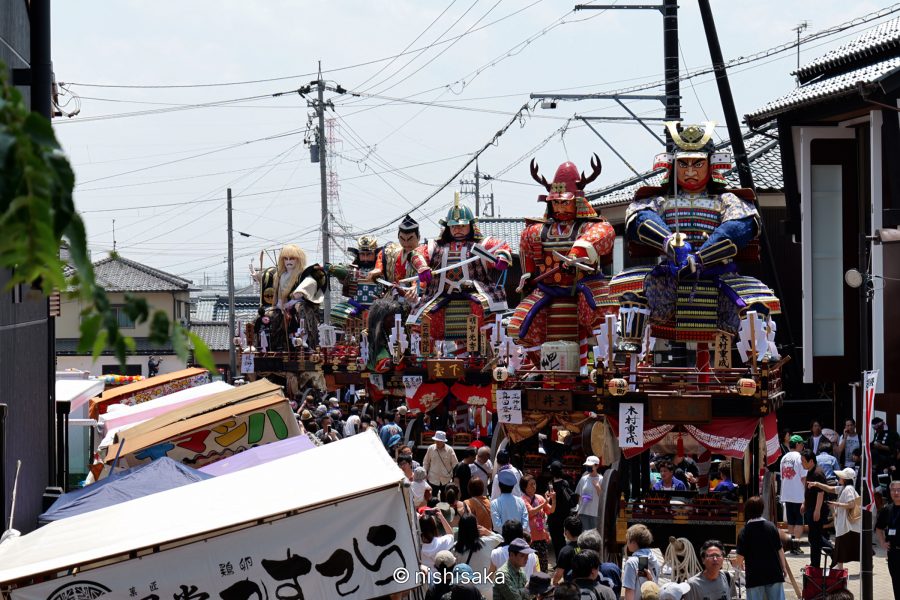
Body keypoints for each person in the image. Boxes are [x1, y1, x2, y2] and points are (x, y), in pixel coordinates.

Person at [611, 121, 780, 357]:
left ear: (711, 164)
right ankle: (629, 355)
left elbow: (742, 225)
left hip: (718, 276)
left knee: (754, 308)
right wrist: (671, 242)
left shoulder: (727, 199)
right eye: (683, 164)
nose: (690, 172)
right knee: (632, 296)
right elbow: (637, 217)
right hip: (670, 276)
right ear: (672, 165)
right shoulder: (659, 200)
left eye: (698, 163)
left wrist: (701, 258)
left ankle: (759, 359)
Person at [511, 155, 616, 372]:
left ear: (577, 201)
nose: (559, 207)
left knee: (603, 317)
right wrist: (529, 275)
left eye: (564, 202)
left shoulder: (590, 226)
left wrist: (577, 253)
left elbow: (604, 234)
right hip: (548, 290)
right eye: (556, 202)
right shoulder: (535, 230)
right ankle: (541, 367)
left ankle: (604, 365)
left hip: (583, 288)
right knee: (518, 324)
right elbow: (528, 256)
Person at [408, 193, 511, 348]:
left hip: (475, 293)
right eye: (454, 226)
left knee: (483, 313)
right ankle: (424, 358)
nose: (458, 229)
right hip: (440, 294)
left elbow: (500, 248)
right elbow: (417, 253)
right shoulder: (435, 246)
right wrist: (422, 267)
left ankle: (484, 353)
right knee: (424, 320)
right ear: (448, 227)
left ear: (470, 225)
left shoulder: (481, 244)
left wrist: (501, 258)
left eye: (462, 225)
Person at [733, 496, 787, 600]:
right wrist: (783, 568)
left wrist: (737, 568)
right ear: (762, 509)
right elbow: (780, 549)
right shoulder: (771, 527)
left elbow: (739, 558)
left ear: (747, 511)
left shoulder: (744, 532)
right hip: (774, 573)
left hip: (754, 576)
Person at [326, 235, 385, 328]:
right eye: (362, 254)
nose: (365, 258)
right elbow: (340, 271)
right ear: (358, 254)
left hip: (377, 309)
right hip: (354, 307)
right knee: (337, 314)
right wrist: (331, 268)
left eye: (369, 254)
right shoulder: (352, 270)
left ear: (376, 254)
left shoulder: (383, 271)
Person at [810, 467, 861, 569]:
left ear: (845, 479)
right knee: (843, 547)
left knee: (851, 547)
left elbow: (851, 504)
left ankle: (842, 567)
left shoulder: (848, 489)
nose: (839, 478)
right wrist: (817, 484)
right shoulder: (843, 488)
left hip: (848, 525)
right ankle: (840, 567)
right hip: (845, 525)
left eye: (841, 476)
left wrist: (835, 504)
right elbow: (830, 489)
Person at [454, 514, 503, 599]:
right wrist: (487, 532)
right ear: (475, 527)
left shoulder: (456, 548)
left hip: (466, 590)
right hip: (486, 588)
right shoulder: (487, 542)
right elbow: (500, 538)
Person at [801, 449, 831, 569]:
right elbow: (809, 491)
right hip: (811, 508)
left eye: (804, 461)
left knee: (815, 538)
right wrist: (804, 503)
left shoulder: (818, 473)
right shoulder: (810, 471)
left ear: (811, 461)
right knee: (814, 537)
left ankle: (817, 563)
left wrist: (817, 510)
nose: (802, 463)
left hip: (817, 509)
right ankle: (830, 554)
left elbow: (820, 493)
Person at [520, 474, 555, 572]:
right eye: (531, 485)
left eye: (534, 484)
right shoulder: (523, 499)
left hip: (541, 536)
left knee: (543, 564)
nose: (534, 486)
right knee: (530, 565)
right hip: (530, 538)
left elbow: (551, 510)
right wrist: (543, 504)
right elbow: (530, 512)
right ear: (524, 487)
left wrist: (553, 499)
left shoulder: (539, 497)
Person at [779, 435, 807, 550]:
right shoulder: (800, 457)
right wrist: (806, 493)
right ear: (797, 444)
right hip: (798, 494)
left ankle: (790, 544)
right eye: (802, 443)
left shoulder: (784, 458)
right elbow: (803, 477)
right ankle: (796, 545)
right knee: (799, 522)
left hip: (786, 494)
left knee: (790, 522)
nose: (803, 446)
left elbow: (782, 476)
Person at [876, 480, 900, 600]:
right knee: (896, 584)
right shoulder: (887, 510)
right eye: (893, 490)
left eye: (899, 490)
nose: (896, 492)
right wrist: (882, 542)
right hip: (894, 554)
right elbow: (879, 528)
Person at [622, 524, 660, 600]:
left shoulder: (632, 563)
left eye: (628, 540)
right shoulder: (655, 560)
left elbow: (629, 590)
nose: (627, 543)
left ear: (634, 542)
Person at [547, 460, 575, 560]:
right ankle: (566, 559)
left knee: (556, 539)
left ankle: (560, 560)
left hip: (554, 516)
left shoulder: (551, 485)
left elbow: (549, 502)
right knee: (564, 539)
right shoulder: (565, 483)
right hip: (565, 515)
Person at [491, 470, 529, 535]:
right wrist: (518, 532)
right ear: (513, 486)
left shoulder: (494, 503)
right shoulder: (521, 501)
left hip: (503, 539)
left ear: (499, 486)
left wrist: (508, 534)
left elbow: (497, 525)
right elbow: (525, 522)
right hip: (519, 538)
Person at [424, 431, 459, 500]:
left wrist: (453, 477)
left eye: (439, 441)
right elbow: (426, 462)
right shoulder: (430, 448)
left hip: (446, 479)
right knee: (431, 499)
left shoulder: (449, 450)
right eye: (436, 441)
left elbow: (455, 464)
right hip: (433, 478)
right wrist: (425, 473)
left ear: (443, 441)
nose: (437, 443)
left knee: (445, 499)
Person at [575, 455, 603, 531]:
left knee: (595, 536)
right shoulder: (583, 479)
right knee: (584, 535)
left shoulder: (601, 479)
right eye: (587, 465)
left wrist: (597, 487)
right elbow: (580, 496)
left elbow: (603, 498)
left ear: (596, 466)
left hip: (595, 513)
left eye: (590, 465)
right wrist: (578, 510)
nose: (588, 467)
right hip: (583, 512)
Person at [553, 515, 583, 585]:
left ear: (567, 531)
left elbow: (559, 574)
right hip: (586, 584)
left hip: (572, 587)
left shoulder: (565, 551)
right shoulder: (586, 546)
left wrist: (554, 583)